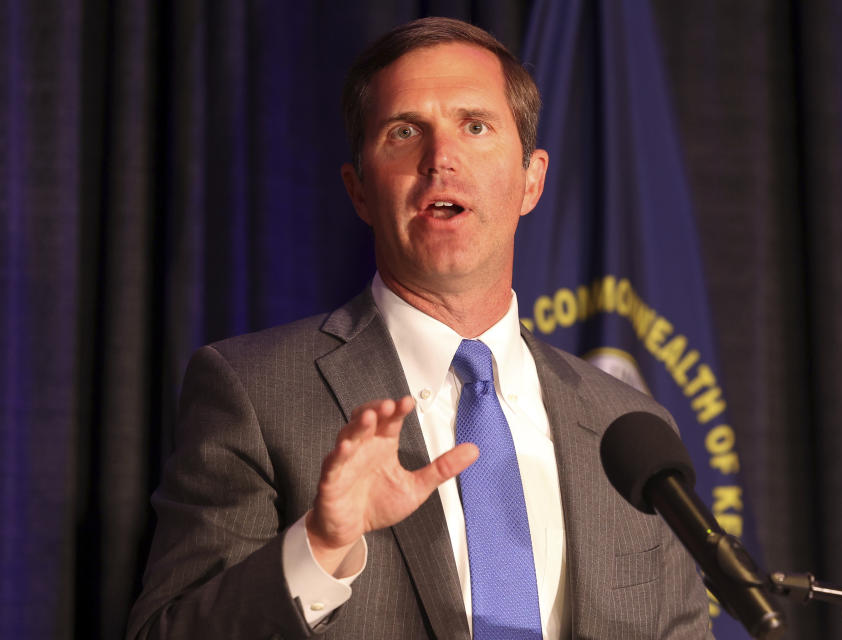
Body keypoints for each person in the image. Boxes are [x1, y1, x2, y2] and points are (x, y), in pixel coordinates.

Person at [127, 16, 712, 640]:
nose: (441, 159)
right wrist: (320, 547)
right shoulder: (253, 391)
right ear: (358, 191)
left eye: (476, 126)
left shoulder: (630, 431)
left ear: (531, 180)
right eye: (404, 132)